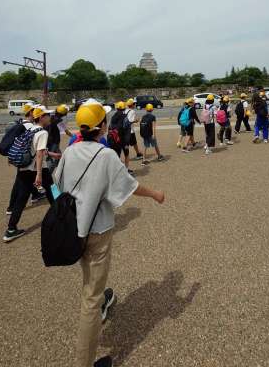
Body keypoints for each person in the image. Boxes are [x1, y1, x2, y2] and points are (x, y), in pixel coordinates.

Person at [55, 101, 165, 367]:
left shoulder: (70, 151)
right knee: (90, 299)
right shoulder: (105, 155)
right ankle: (85, 362)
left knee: (90, 278)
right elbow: (130, 186)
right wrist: (155, 194)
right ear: (102, 126)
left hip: (73, 228)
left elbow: (58, 182)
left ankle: (101, 295)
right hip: (97, 230)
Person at [3, 105, 55, 242]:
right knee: (53, 190)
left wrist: (51, 154)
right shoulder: (42, 132)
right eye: (48, 115)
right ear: (42, 117)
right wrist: (39, 174)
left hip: (24, 169)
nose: (50, 117)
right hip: (38, 169)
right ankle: (62, 216)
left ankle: (11, 229)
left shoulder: (29, 129)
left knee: (21, 200)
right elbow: (39, 154)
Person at [6, 103, 46, 215]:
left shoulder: (20, 123)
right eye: (34, 110)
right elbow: (36, 147)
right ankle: (11, 208)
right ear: (31, 112)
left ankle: (35, 195)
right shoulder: (29, 126)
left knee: (23, 181)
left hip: (21, 158)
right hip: (26, 160)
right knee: (20, 184)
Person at [46, 104, 73, 173]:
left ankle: (56, 168)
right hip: (54, 142)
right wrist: (74, 137)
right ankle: (49, 172)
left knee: (57, 156)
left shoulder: (50, 117)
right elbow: (67, 132)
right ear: (64, 114)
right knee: (53, 157)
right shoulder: (58, 122)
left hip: (48, 140)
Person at [108, 102, 133, 173]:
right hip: (123, 140)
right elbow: (127, 130)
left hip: (114, 139)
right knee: (126, 154)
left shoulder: (113, 117)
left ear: (117, 108)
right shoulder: (125, 117)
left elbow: (110, 128)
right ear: (124, 109)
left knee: (117, 155)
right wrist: (127, 143)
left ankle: (117, 171)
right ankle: (126, 170)